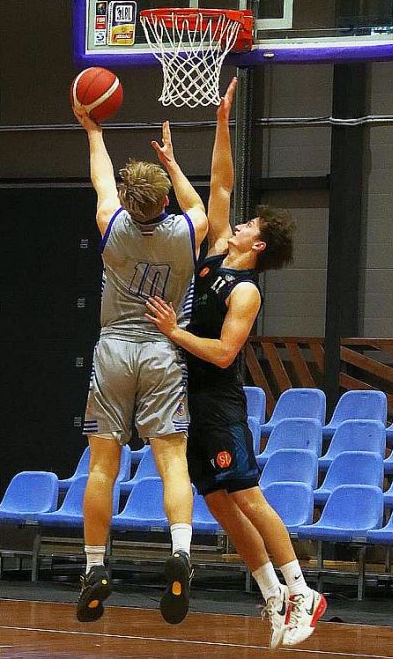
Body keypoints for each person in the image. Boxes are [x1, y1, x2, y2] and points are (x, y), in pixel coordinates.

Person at [146, 78, 326, 649]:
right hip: (187, 395)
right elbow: (219, 182)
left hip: (219, 399)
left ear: (260, 245)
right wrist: (219, 123)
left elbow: (224, 352)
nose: (240, 222)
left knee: (248, 497)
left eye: (251, 226)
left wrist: (174, 332)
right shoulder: (218, 248)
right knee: (221, 507)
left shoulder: (246, 292)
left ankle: (303, 591)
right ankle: (273, 598)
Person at [73, 106, 208, 625]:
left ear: (129, 203)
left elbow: (101, 176)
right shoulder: (186, 231)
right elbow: (202, 206)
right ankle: (179, 554)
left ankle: (93, 566)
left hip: (113, 349)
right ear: (164, 199)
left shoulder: (112, 227)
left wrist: (95, 131)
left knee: (103, 465)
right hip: (162, 346)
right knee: (172, 460)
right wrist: (173, 166)